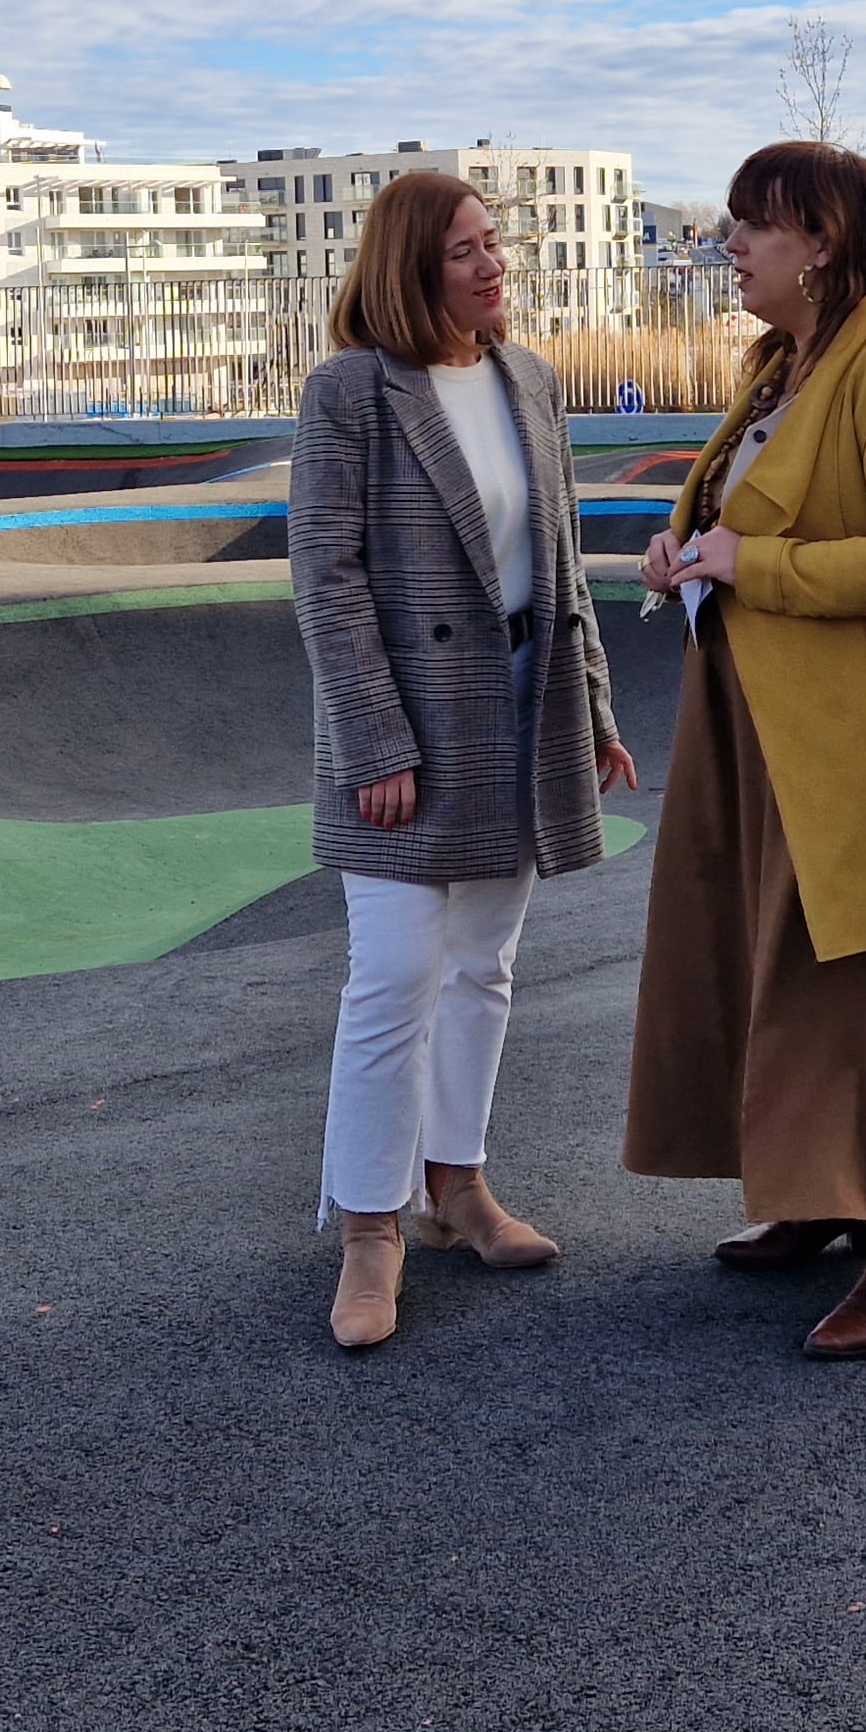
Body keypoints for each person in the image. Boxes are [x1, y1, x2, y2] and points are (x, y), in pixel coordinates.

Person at [624, 141, 866, 1358]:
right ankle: (816, 1196)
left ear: (826, 245)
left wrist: (757, 566)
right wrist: (684, 539)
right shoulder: (782, 367)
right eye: (733, 224)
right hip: (776, 736)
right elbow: (749, 510)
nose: (731, 245)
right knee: (788, 974)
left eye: (755, 226)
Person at [291, 169, 638, 1351]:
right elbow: (327, 582)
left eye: (496, 245)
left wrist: (592, 708)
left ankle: (459, 1187)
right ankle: (369, 1229)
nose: (494, 267)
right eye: (465, 253)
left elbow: (566, 563)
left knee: (483, 964)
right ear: (408, 270)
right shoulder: (350, 393)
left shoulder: (528, 378)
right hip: (411, 721)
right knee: (391, 975)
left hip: (524, 706)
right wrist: (377, 739)